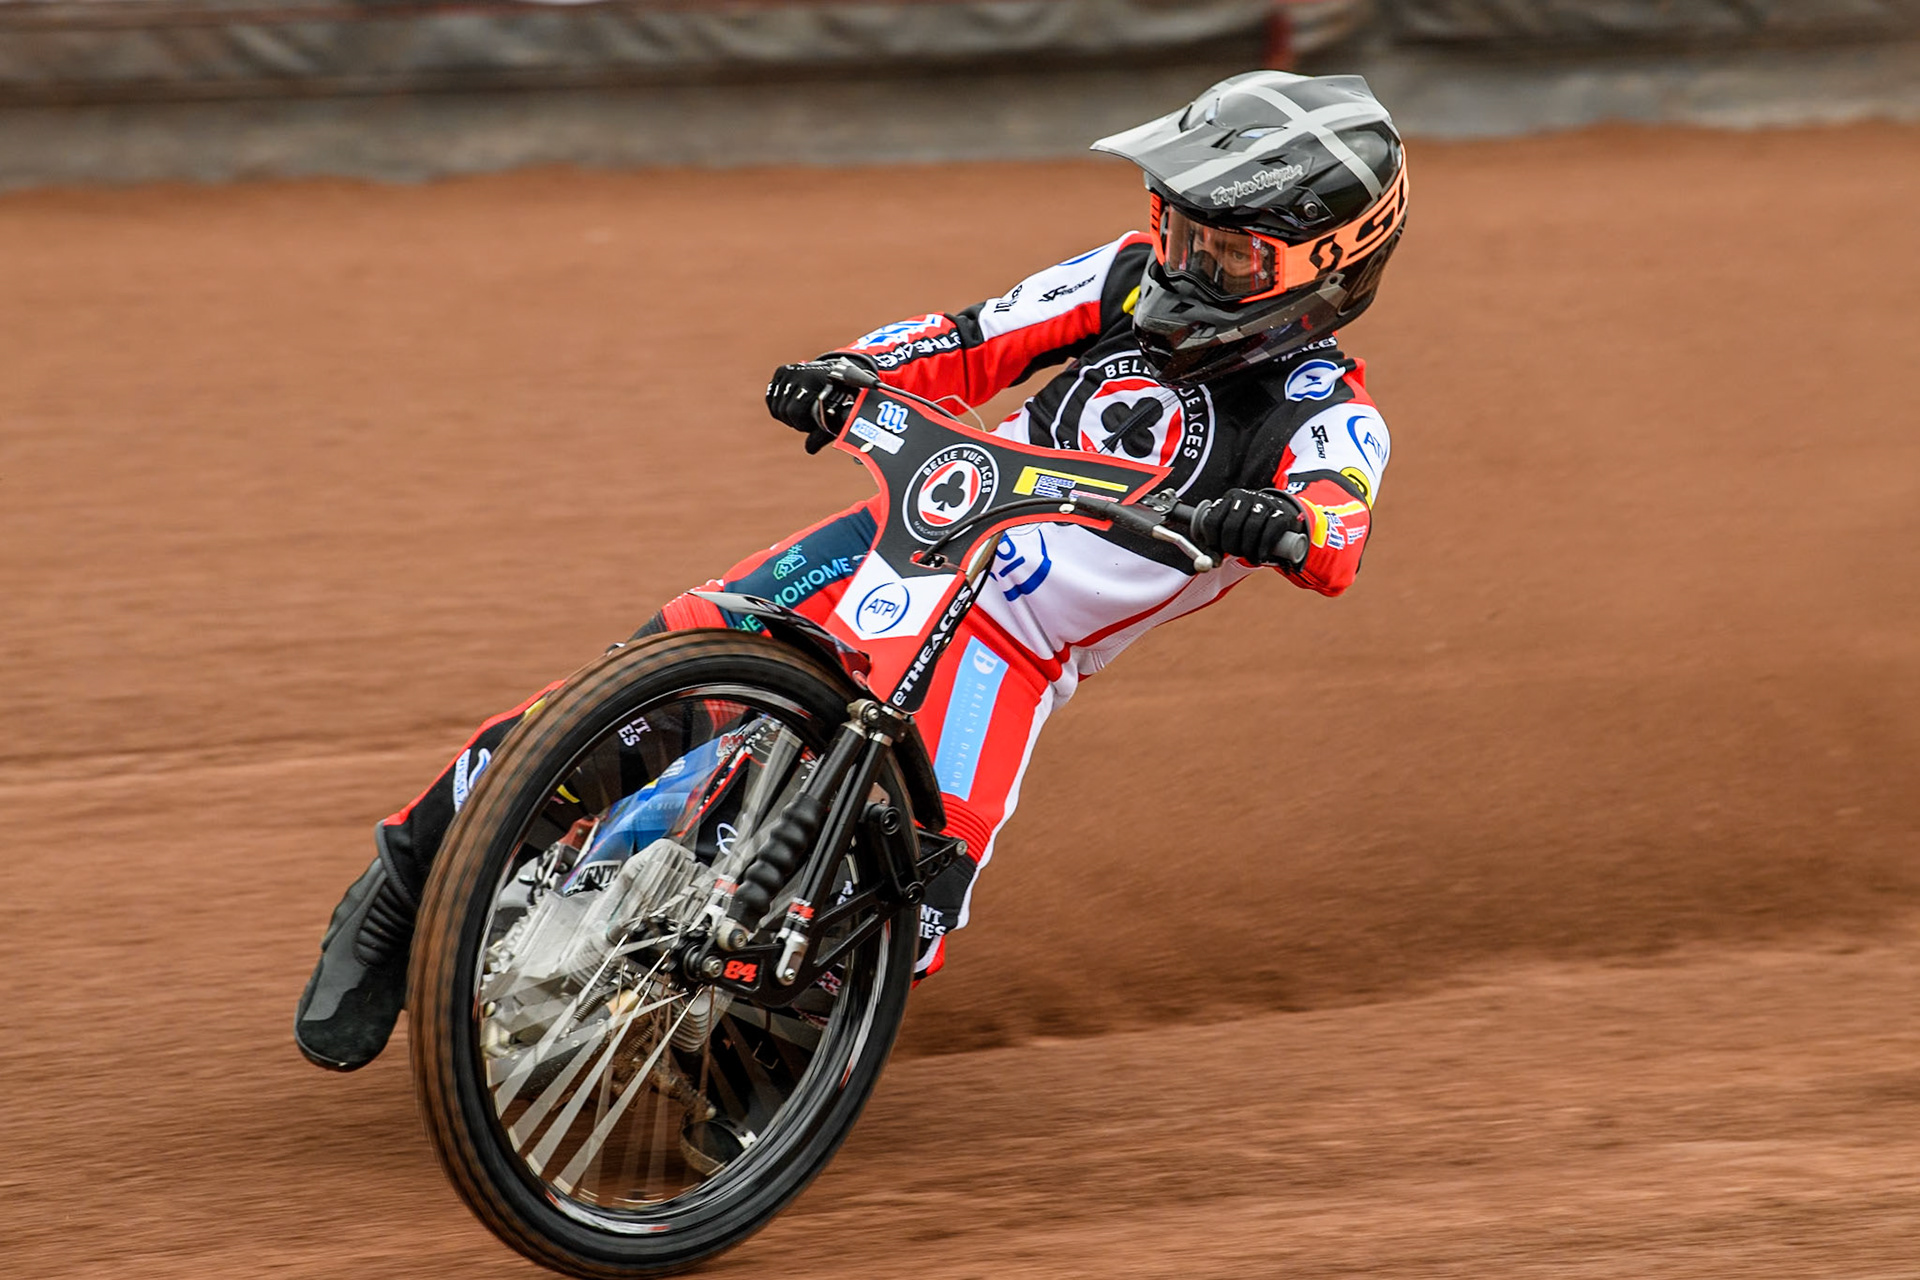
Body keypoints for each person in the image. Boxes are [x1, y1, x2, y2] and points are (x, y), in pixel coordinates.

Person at [295, 69, 1407, 1072]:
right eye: (1176, 227)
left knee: (920, 886)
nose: (1183, 260)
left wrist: (1280, 524)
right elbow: (971, 338)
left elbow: (1336, 526)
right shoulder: (1121, 277)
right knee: (643, 678)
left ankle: (767, 1076)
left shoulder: (1329, 413)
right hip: (900, 537)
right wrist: (852, 368)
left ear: (1329, 264)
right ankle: (401, 886)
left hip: (1011, 654)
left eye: (1225, 252)